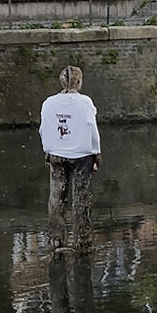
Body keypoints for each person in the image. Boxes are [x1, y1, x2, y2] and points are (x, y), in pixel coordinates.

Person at [40, 65, 100, 250]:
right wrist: (97, 155)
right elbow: (91, 129)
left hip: (57, 153)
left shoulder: (48, 103)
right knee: (81, 199)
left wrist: (48, 151)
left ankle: (56, 239)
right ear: (79, 82)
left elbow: (43, 129)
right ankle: (83, 240)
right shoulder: (85, 103)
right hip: (82, 155)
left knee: (57, 197)